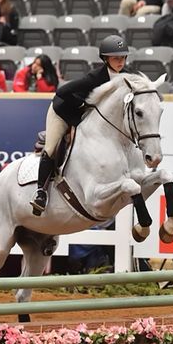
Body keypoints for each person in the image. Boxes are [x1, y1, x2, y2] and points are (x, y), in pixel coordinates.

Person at [30, 35, 130, 215]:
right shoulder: (95, 77)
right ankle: (40, 193)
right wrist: (83, 105)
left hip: (89, 117)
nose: (120, 62)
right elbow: (62, 92)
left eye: (122, 57)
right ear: (105, 59)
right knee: (51, 148)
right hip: (63, 111)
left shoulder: (127, 76)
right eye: (116, 58)